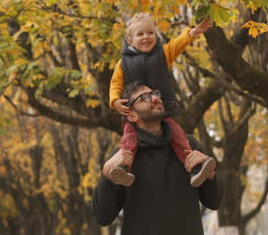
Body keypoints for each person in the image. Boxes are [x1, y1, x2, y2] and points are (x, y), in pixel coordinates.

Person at [92, 82, 224, 234]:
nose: (154, 98)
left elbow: (214, 202)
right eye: (145, 98)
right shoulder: (122, 158)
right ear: (132, 115)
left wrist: (210, 174)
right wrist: (106, 174)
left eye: (155, 93)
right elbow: (102, 217)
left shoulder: (189, 146)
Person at [108, 12, 215, 187]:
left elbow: (178, 44)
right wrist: (115, 101)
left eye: (150, 33)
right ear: (130, 40)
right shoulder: (123, 63)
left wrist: (193, 33)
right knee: (129, 140)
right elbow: (115, 84)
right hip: (133, 111)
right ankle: (122, 168)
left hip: (159, 108)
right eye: (140, 34)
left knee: (178, 135)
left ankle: (194, 166)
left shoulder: (163, 54)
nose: (146, 37)